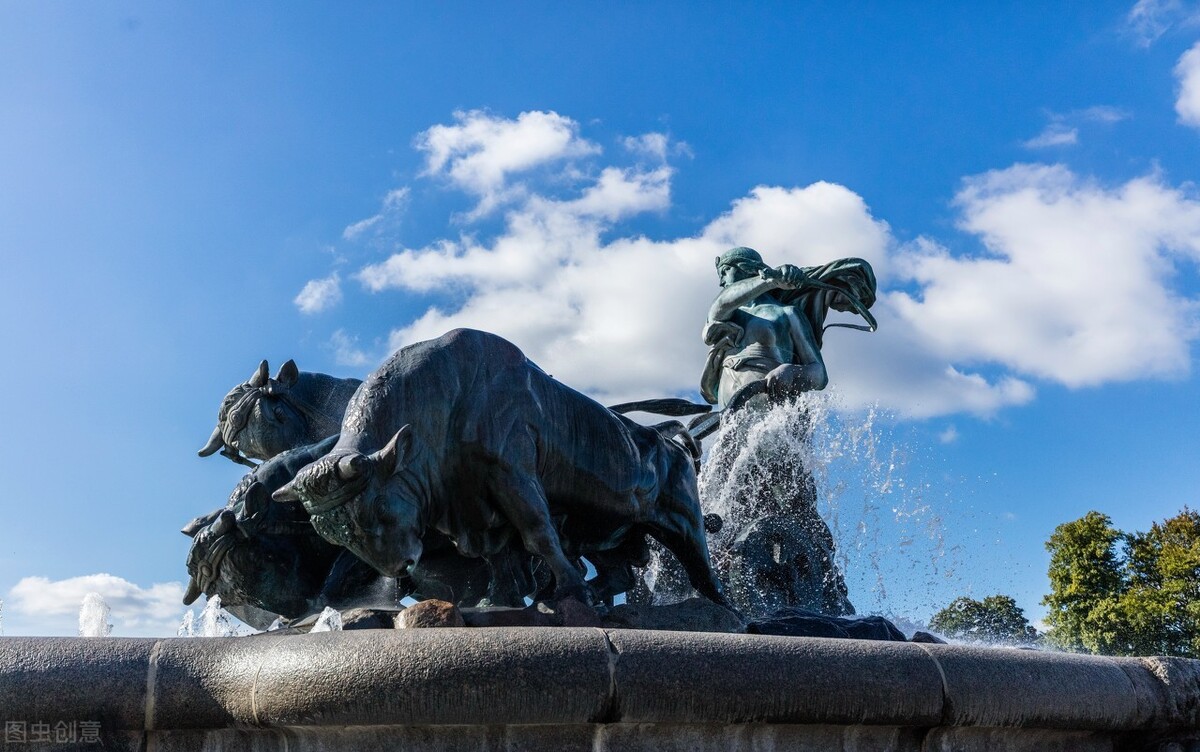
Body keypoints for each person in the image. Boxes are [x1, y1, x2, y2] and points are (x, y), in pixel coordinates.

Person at [700, 247, 877, 410]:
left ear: (746, 268)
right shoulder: (727, 316)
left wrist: (792, 372)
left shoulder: (788, 314)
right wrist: (772, 280)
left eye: (724, 272)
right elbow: (721, 303)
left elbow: (820, 375)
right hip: (730, 415)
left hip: (774, 410)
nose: (721, 281)